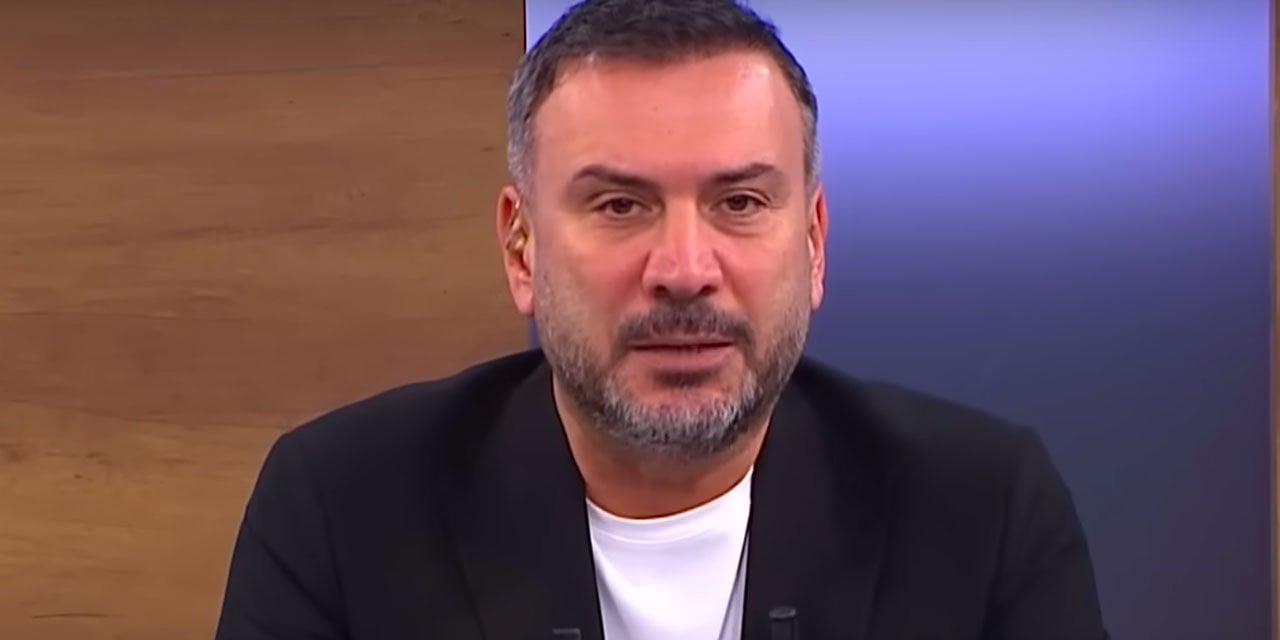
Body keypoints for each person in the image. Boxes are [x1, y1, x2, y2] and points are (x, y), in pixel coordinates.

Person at [214, 0, 1108, 638]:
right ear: (522, 250)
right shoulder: (344, 509)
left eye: (740, 203)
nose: (684, 272)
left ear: (813, 243)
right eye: (620, 206)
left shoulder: (979, 511)